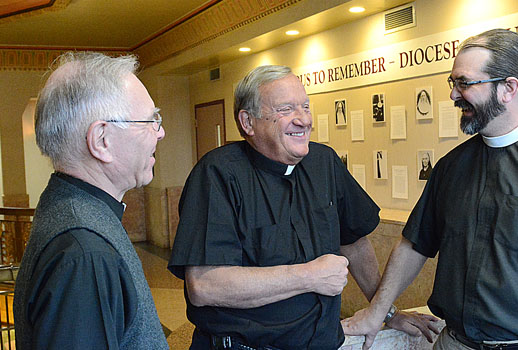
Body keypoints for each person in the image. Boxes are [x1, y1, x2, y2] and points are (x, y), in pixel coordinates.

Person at [342, 28, 518, 350]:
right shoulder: (451, 167)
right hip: (455, 343)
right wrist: (376, 311)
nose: (453, 95)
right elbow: (414, 246)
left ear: (508, 88)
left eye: (464, 83)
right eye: (453, 83)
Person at [168, 65, 438, 350]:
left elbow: (354, 241)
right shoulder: (217, 174)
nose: (304, 120)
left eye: (305, 107)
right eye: (286, 109)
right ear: (248, 122)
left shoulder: (325, 162)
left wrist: (385, 310)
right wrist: (308, 276)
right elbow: (204, 286)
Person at [13, 52, 168, 350]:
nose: (160, 133)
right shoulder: (85, 255)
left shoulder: (70, 207)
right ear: (101, 141)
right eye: (150, 120)